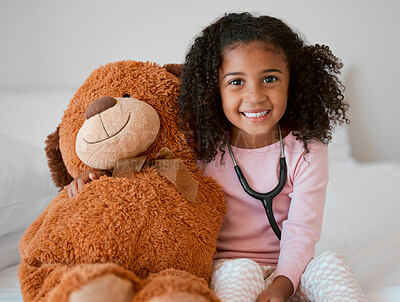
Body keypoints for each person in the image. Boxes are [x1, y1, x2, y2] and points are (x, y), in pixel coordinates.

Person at [66, 12, 367, 302]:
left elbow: (303, 229)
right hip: (228, 265)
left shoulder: (307, 149)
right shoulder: (202, 145)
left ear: (293, 81)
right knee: (243, 271)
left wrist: (283, 285)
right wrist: (101, 176)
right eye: (237, 82)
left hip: (291, 268)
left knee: (332, 264)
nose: (255, 96)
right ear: (215, 90)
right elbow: (156, 168)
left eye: (270, 79)